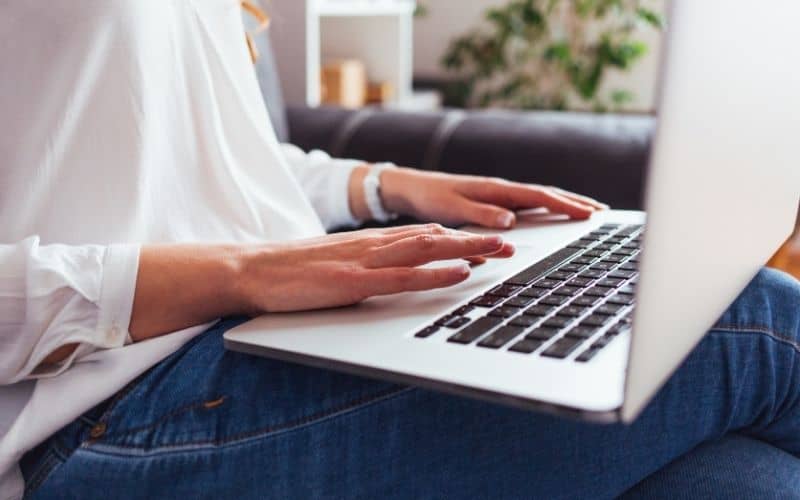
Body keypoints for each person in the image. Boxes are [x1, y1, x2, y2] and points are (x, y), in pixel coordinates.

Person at [1, 2, 799, 499]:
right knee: (763, 324)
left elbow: (194, 156)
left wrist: (388, 184)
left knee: (751, 484)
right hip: (87, 414)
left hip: (261, 335)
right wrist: (241, 273)